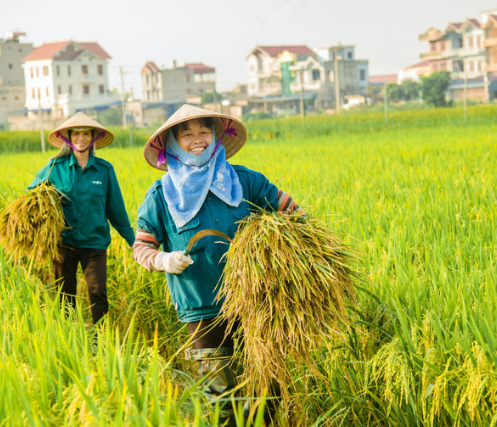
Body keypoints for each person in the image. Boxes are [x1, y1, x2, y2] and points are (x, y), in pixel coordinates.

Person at [133, 104, 301, 424]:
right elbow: (141, 246)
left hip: (254, 300)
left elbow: (291, 213)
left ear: (216, 136)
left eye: (204, 131)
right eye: (187, 134)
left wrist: (301, 244)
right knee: (220, 394)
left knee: (268, 384)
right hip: (202, 306)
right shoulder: (161, 195)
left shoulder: (245, 181)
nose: (197, 139)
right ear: (172, 143)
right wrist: (163, 259)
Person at [28, 112, 135, 325]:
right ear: (67, 138)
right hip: (63, 245)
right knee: (65, 296)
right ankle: (70, 339)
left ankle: (100, 340)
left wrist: (134, 241)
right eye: (76, 134)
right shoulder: (53, 168)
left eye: (86, 133)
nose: (81, 138)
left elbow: (116, 209)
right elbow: (31, 196)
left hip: (94, 244)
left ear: (93, 137)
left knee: (98, 293)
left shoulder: (104, 170)